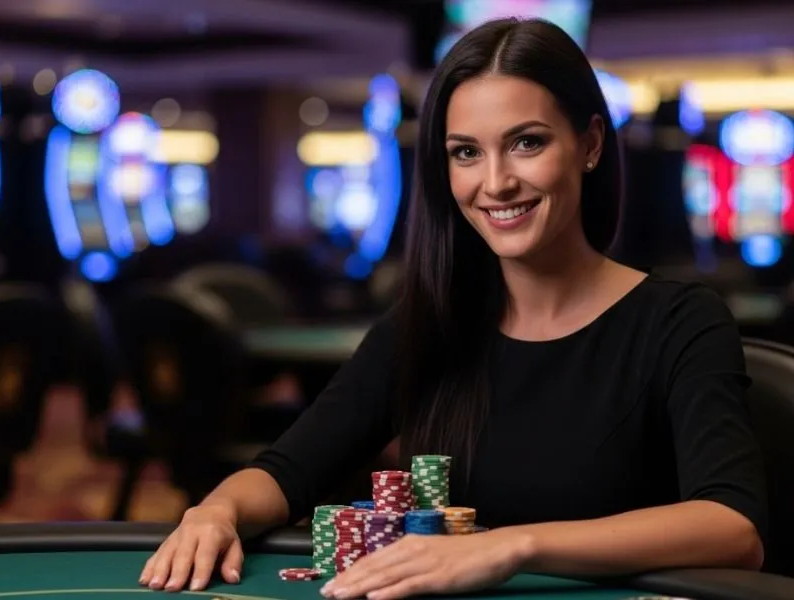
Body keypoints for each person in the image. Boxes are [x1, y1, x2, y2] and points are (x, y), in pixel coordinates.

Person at [139, 17, 767, 598]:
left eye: (526, 143)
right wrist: (215, 509)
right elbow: (287, 471)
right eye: (466, 152)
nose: (494, 183)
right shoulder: (428, 324)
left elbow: (733, 528)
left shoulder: (680, 320)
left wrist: (514, 546)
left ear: (591, 144)